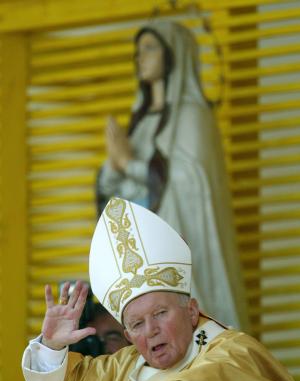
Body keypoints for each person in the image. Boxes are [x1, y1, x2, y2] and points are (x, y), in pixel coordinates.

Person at [22, 198, 300, 381]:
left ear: (191, 311)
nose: (151, 330)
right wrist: (52, 347)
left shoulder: (233, 352)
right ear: (128, 336)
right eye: (137, 324)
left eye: (160, 313)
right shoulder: (124, 366)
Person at [96, 21, 249, 331]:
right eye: (138, 51)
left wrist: (130, 164)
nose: (141, 58)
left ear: (173, 54)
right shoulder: (140, 122)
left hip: (182, 242)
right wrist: (113, 170)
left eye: (150, 48)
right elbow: (126, 192)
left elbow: (188, 180)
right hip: (145, 253)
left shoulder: (192, 117)